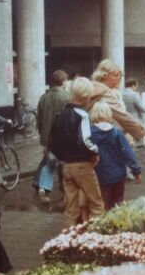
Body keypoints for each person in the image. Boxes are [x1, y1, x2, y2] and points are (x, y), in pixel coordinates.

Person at [47, 77, 104, 227]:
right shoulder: (83, 115)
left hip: (66, 166)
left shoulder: (59, 116)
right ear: (86, 96)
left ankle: (67, 241)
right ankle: (96, 239)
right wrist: (95, 151)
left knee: (71, 208)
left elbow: (51, 142)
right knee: (96, 204)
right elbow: (85, 140)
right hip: (83, 165)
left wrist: (63, 157)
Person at [89, 59, 145, 146]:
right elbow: (122, 116)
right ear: (105, 75)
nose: (119, 78)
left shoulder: (91, 86)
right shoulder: (105, 91)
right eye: (116, 75)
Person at [89, 101, 142, 210]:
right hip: (118, 174)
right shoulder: (116, 133)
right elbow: (128, 153)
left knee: (103, 203)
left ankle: (102, 225)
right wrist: (136, 171)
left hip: (99, 174)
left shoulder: (89, 134)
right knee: (118, 204)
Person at [34, 69, 69, 203]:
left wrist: (43, 135)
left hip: (48, 137)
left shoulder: (43, 97)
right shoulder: (67, 97)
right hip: (62, 137)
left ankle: (44, 187)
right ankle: (64, 191)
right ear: (64, 82)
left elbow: (39, 119)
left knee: (49, 163)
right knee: (63, 164)